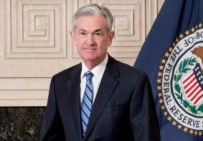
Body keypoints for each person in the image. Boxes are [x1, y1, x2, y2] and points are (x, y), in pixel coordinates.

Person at [39, 3, 160, 141]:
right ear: (73, 37)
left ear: (110, 37)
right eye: (83, 33)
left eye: (97, 33)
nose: (90, 41)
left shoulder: (134, 81)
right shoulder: (59, 82)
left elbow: (146, 137)